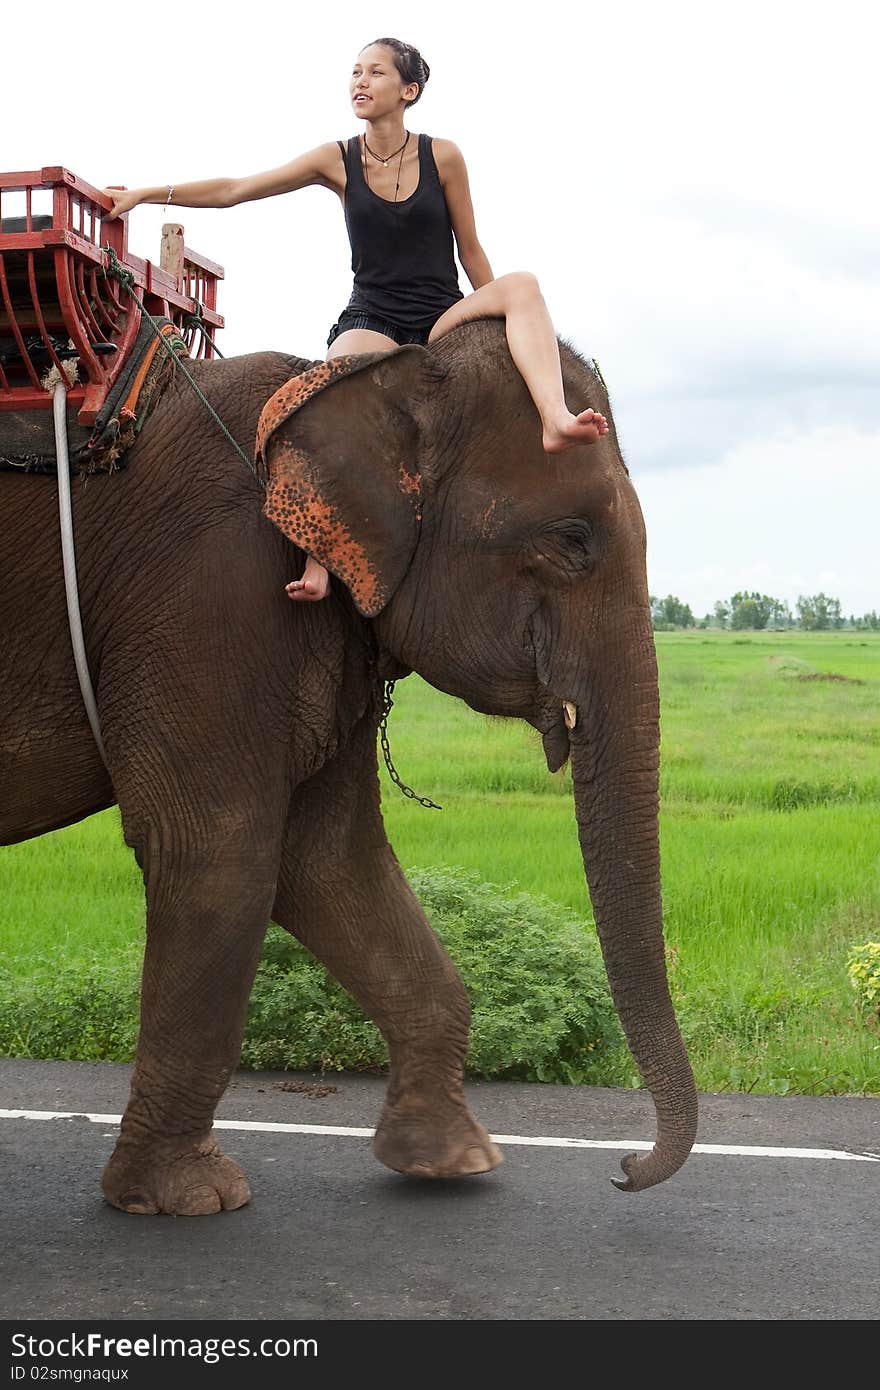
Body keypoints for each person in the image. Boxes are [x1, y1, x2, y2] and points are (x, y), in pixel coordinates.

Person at [104, 36, 608, 603]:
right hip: (374, 313)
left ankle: (555, 418)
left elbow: (470, 250)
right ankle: (319, 559)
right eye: (354, 72)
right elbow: (238, 189)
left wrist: (494, 330)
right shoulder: (335, 159)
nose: (359, 83)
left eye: (375, 73)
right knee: (334, 383)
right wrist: (148, 194)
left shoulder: (443, 156)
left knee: (524, 287)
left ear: (408, 90)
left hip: (442, 313)